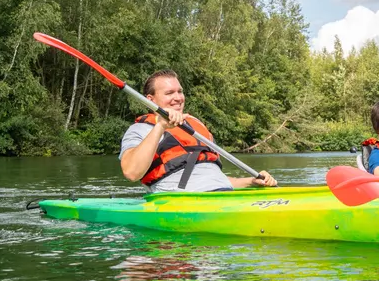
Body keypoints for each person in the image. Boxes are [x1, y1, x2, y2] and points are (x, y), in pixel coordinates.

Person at [119, 69, 277, 192]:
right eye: (169, 93)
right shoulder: (139, 129)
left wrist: (250, 181)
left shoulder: (197, 126)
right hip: (180, 199)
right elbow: (132, 173)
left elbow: (214, 179)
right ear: (150, 100)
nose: (178, 97)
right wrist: (160, 127)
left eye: (180, 91)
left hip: (222, 193)